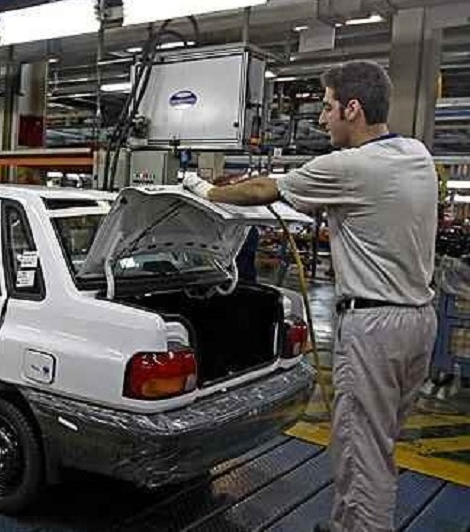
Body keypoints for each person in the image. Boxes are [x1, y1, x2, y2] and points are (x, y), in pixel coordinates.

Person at [183, 61, 438, 532]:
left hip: (374, 327)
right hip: (418, 322)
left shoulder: (350, 166)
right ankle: (343, 524)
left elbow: (262, 189)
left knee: (363, 450)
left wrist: (203, 188)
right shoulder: (416, 153)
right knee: (373, 440)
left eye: (327, 107)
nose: (321, 119)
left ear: (352, 109)